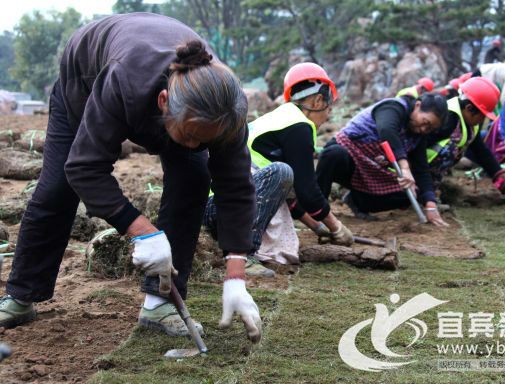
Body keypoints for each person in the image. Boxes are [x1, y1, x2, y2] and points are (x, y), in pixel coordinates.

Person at [0, 13, 262, 343]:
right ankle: (22, 295)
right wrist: (141, 230)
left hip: (179, 102)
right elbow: (85, 167)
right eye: (192, 135)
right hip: (83, 79)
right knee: (58, 188)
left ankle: (160, 303)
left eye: (205, 140)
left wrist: (236, 273)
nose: (197, 146)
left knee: (193, 178)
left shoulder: (225, 107)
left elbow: (235, 186)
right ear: (164, 102)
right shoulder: (125, 80)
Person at [247, 63, 354, 247]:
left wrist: (318, 227)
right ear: (318, 101)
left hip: (224, 198)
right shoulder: (299, 126)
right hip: (234, 205)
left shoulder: (280, 118)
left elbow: (287, 193)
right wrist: (337, 227)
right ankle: (247, 252)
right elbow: (308, 192)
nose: (327, 117)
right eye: (329, 109)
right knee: (283, 251)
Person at [316, 93, 449, 225]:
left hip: (370, 171)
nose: (424, 129)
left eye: (429, 128)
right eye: (425, 122)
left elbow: (422, 169)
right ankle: (318, 206)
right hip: (348, 159)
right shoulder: (394, 107)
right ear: (418, 105)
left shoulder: (418, 135)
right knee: (334, 154)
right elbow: (387, 130)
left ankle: (357, 201)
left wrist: (430, 205)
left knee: (409, 194)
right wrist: (404, 166)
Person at [427, 77, 505, 206]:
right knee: (449, 150)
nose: (483, 119)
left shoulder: (470, 123)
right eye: (482, 114)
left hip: (424, 170)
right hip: (415, 168)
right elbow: (418, 147)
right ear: (469, 108)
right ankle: (427, 192)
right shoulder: (447, 119)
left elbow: (482, 153)